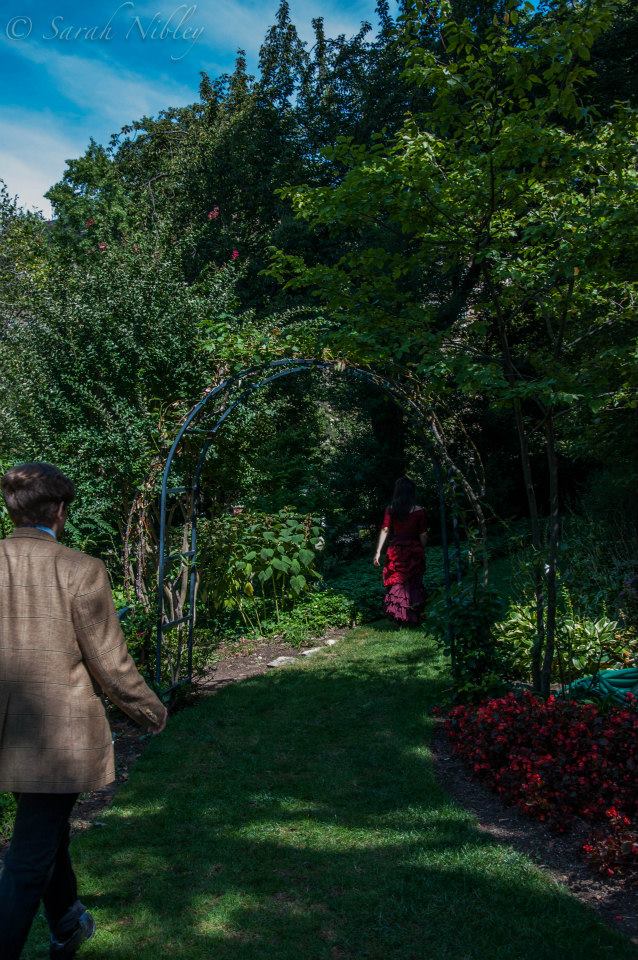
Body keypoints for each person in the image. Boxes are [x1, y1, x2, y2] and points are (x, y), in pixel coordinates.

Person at [0, 463, 168, 959]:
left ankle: (68, 923)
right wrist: (151, 712)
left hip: (10, 733)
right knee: (27, 859)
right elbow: (110, 663)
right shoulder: (80, 568)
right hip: (59, 738)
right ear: (59, 510)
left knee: (44, 831)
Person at [374, 476, 427, 626]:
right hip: (413, 548)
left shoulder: (391, 509)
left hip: (396, 548)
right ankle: (413, 615)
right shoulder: (420, 511)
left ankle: (400, 617)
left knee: (398, 580)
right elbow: (423, 534)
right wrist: (421, 548)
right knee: (413, 581)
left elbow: (385, 529)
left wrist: (378, 552)